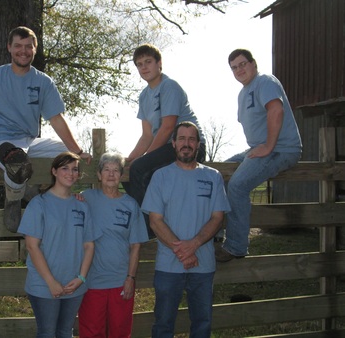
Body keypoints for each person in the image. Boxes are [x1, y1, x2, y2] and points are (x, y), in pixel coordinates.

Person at [0, 26, 91, 232]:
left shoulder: (43, 82)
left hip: (29, 141)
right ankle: (14, 199)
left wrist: (77, 151)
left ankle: (47, 195)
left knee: (68, 157)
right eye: (18, 45)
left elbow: (56, 119)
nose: (23, 51)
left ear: (35, 49)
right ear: (9, 47)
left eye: (28, 46)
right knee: (17, 161)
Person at [141, 121, 230, 338]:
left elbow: (217, 218)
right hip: (168, 267)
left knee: (202, 324)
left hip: (203, 265)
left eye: (191, 139)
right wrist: (183, 252)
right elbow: (155, 221)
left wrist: (194, 245)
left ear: (198, 144)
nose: (186, 144)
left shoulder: (213, 176)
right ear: (173, 143)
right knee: (163, 324)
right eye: (181, 138)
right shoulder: (161, 176)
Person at [215, 49, 302, 263]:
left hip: (282, 148)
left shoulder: (265, 81)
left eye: (243, 64)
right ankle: (215, 236)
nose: (239, 69)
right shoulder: (243, 93)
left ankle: (236, 247)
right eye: (234, 67)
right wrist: (258, 147)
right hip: (259, 147)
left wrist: (268, 146)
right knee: (216, 175)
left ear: (253, 64)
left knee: (238, 185)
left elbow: (276, 111)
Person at [124, 44, 206, 236]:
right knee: (127, 171)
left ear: (159, 63)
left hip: (186, 146)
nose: (144, 67)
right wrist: (129, 159)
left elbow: (168, 127)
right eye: (139, 64)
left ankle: (149, 228)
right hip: (165, 147)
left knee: (139, 169)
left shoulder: (169, 86)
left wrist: (142, 160)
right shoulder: (144, 96)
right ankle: (156, 219)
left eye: (148, 62)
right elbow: (146, 136)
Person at [17, 152, 101, 338]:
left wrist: (81, 278)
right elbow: (32, 246)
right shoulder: (39, 204)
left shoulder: (82, 205)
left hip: (74, 285)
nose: (70, 173)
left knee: (65, 332)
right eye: (65, 168)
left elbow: (89, 245)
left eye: (75, 169)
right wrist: (51, 282)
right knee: (47, 333)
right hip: (44, 285)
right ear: (54, 171)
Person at [78, 153, 149, 338]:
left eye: (116, 170)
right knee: (92, 332)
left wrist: (130, 278)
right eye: (107, 170)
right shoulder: (85, 199)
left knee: (120, 331)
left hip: (120, 281)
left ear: (121, 175)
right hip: (91, 281)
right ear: (99, 175)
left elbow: (135, 246)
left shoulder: (130, 205)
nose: (111, 174)